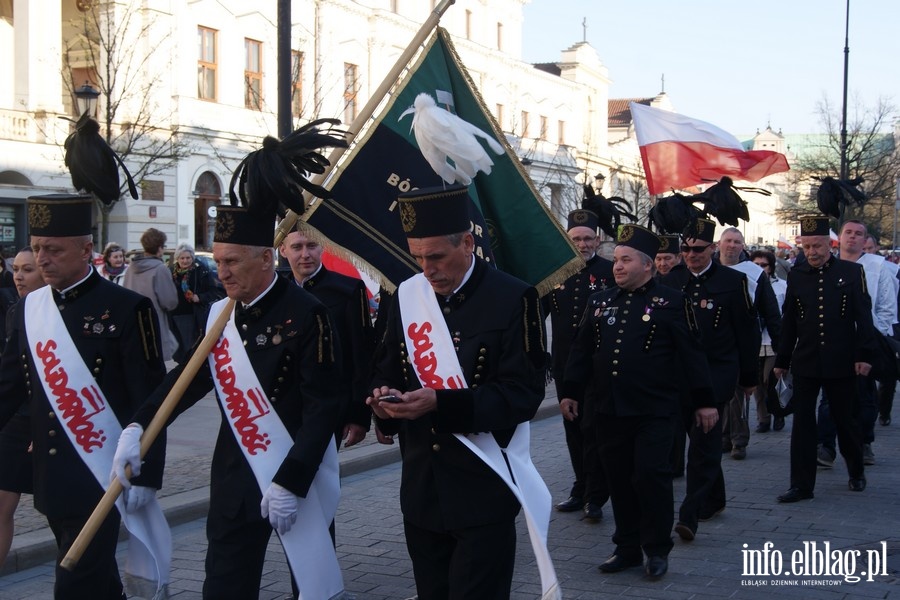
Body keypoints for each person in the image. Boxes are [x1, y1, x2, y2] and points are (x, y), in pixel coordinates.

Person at [113, 203, 344, 600]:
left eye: (233, 261)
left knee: (309, 583)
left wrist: (291, 480)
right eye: (218, 261)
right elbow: (185, 381)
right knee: (224, 584)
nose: (221, 272)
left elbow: (324, 405)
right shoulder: (220, 314)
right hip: (235, 476)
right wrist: (139, 425)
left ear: (267, 258)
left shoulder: (309, 314)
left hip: (296, 475)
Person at [367, 184, 550, 599]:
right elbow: (384, 367)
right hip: (422, 489)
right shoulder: (406, 297)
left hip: (483, 488)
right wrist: (382, 402)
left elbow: (523, 394)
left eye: (436, 256)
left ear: (467, 242)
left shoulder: (514, 298)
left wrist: (442, 402)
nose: (426, 270)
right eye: (417, 257)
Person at [0, 194, 169, 599]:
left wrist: (148, 471)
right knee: (94, 575)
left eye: (54, 250)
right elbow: (9, 385)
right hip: (50, 469)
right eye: (37, 247)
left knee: (76, 579)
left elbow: (152, 397)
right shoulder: (28, 310)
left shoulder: (128, 308)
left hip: (102, 468)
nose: (42, 258)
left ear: (86, 249)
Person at [561, 224, 715, 580]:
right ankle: (626, 547)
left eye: (625, 260)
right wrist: (570, 390)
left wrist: (705, 402)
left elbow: (693, 356)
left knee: (650, 476)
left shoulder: (673, 302)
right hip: (609, 409)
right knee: (618, 478)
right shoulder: (600, 301)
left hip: (655, 410)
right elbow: (582, 350)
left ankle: (657, 549)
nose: (617, 266)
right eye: (615, 260)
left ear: (647, 265)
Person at [660, 218, 758, 541]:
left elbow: (747, 333)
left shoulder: (733, 281)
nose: (691, 255)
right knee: (699, 441)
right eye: (685, 250)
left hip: (717, 373)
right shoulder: (672, 281)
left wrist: (748, 378)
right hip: (678, 376)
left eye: (698, 249)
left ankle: (690, 513)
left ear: (712, 249)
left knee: (703, 442)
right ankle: (714, 497)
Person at [774, 216, 877, 502]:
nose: (812, 252)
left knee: (845, 420)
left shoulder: (851, 272)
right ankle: (801, 485)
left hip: (842, 360)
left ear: (829, 245)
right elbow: (790, 320)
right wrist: (782, 359)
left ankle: (856, 470)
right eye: (807, 247)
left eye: (817, 246)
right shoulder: (797, 274)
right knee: (803, 425)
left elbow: (863, 318)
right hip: (806, 360)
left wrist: (864, 355)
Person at [542, 208, 612, 521]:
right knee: (573, 429)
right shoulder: (554, 273)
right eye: (576, 239)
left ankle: (596, 496)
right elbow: (534, 317)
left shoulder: (611, 273)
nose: (582, 244)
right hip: (564, 365)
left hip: (599, 366)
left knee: (594, 429)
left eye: (587, 238)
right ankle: (580, 487)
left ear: (597, 240)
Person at [279, 225, 375, 449]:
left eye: (311, 245)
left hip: (330, 407)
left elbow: (361, 355)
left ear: (322, 247)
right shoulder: (277, 291)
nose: (305, 254)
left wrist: (358, 414)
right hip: (284, 408)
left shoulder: (347, 290)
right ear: (283, 250)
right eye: (297, 247)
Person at [816, 220, 896, 467]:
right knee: (830, 394)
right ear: (839, 237)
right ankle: (826, 446)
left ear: (865, 240)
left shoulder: (878, 267)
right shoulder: (825, 264)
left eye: (858, 234)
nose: (852, 237)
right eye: (848, 232)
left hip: (865, 338)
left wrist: (873, 338)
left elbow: (886, 306)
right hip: (831, 339)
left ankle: (863, 442)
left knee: (864, 394)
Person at [717, 227, 781, 459]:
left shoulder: (754, 272)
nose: (732, 245)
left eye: (737, 241)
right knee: (719, 393)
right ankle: (724, 436)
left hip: (742, 340)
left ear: (742, 246)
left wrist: (780, 346)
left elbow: (770, 309)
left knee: (736, 392)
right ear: (719, 244)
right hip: (713, 340)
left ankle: (738, 440)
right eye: (728, 241)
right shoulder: (710, 268)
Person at [0, 247, 46, 567]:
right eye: (15, 269)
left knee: (61, 511)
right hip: (18, 417)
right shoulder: (16, 310)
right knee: (2, 502)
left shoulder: (65, 312)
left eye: (27, 269)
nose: (18, 276)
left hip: (59, 418)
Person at [123, 227, 179, 362]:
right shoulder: (160, 269)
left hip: (134, 324)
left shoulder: (131, 268)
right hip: (155, 324)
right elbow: (169, 302)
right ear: (159, 248)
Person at [749, 250, 787, 433]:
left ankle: (778, 410)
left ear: (771, 267)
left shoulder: (782, 286)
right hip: (755, 341)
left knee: (769, 379)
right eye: (755, 265)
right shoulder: (746, 284)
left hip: (773, 339)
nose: (760, 268)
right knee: (756, 382)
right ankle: (763, 418)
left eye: (763, 265)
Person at [863, 235, 899, 426]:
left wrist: (886, 326)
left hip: (891, 326)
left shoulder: (889, 269)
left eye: (870, 248)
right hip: (867, 327)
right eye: (865, 248)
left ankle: (884, 410)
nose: (867, 252)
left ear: (876, 248)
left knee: (888, 373)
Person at [169, 243, 222, 364]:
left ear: (192, 258)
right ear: (177, 259)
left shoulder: (201, 270)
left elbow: (213, 292)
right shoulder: (171, 272)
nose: (185, 261)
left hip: (192, 316)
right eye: (182, 258)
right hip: (174, 315)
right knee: (178, 350)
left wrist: (200, 297)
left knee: (190, 347)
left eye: (188, 258)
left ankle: (189, 372)